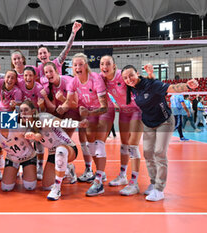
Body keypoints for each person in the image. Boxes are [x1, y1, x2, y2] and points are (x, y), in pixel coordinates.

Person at [121, 64, 198, 201]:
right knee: (148, 154)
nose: (129, 79)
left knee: (159, 153)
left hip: (165, 121)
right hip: (148, 123)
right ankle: (153, 183)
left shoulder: (152, 84)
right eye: (125, 78)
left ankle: (159, 189)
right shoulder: (132, 90)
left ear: (137, 73)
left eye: (131, 75)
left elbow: (172, 88)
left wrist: (187, 86)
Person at [57, 53, 114, 196]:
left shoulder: (95, 79)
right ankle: (100, 173)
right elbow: (69, 101)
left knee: (99, 143)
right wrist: (63, 107)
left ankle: (99, 181)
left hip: (104, 111)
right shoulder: (73, 81)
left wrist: (88, 113)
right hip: (89, 113)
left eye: (80, 64)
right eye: (75, 65)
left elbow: (104, 107)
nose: (77, 67)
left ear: (86, 65)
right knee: (91, 145)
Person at [99, 55, 144, 196]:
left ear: (114, 66)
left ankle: (134, 183)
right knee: (124, 144)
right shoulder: (102, 79)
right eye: (102, 64)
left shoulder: (122, 76)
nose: (105, 67)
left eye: (108, 64)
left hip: (137, 110)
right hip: (124, 112)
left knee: (133, 145)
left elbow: (141, 82)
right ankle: (123, 175)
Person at [21, 100, 78, 201]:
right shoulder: (28, 126)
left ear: (33, 112)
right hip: (53, 152)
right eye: (21, 111)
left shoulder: (44, 117)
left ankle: (57, 189)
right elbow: (38, 136)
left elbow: (63, 122)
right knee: (46, 185)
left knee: (60, 150)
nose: (23, 113)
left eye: (26, 110)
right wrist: (33, 136)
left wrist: (79, 123)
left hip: (67, 147)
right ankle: (68, 169)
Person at [0, 112, 37, 192]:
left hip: (28, 156)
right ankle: (14, 170)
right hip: (13, 159)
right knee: (6, 188)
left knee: (30, 186)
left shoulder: (16, 128)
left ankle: (26, 171)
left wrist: (31, 134)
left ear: (4, 120)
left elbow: (32, 134)